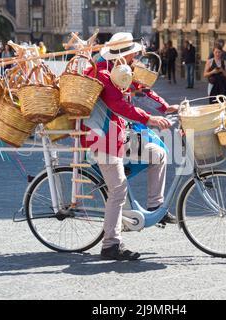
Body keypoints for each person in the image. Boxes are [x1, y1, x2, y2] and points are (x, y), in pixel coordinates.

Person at [81, 32, 180, 261]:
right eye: (133, 53)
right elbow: (118, 105)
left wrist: (165, 108)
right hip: (101, 139)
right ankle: (110, 245)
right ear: (123, 54)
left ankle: (155, 206)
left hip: (118, 135)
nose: (136, 56)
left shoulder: (121, 70)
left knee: (158, 154)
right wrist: (150, 119)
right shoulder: (102, 74)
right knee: (118, 189)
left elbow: (142, 87)